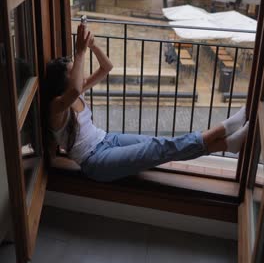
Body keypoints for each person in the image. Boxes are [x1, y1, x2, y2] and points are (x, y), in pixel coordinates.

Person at [45, 23, 249, 183]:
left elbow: (107, 67)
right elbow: (74, 90)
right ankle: (222, 130)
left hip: (107, 140)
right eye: (74, 71)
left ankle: (228, 143)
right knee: (160, 150)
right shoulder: (58, 105)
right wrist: (79, 52)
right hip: (95, 162)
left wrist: (92, 46)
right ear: (63, 82)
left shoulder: (75, 92)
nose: (79, 73)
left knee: (157, 144)